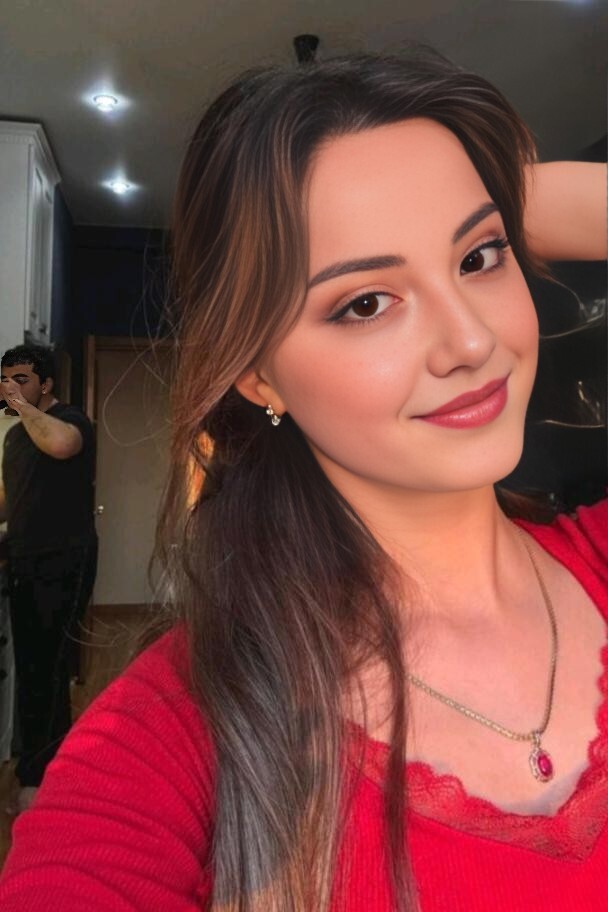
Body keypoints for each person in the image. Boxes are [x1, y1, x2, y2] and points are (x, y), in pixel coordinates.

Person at [0, 47, 606, 911]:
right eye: (365, 303)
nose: (472, 342)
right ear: (260, 376)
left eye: (480, 257)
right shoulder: (171, 739)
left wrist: (493, 188)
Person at [0, 344, 97, 815]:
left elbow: (61, 445)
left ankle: (43, 780)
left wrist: (18, 405)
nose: (11, 388)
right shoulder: (17, 437)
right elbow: (12, 498)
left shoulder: (71, 421)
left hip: (63, 561)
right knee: (33, 668)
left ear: (48, 384)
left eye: (22, 379)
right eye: (7, 380)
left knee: (49, 669)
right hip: (23, 560)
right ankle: (40, 769)